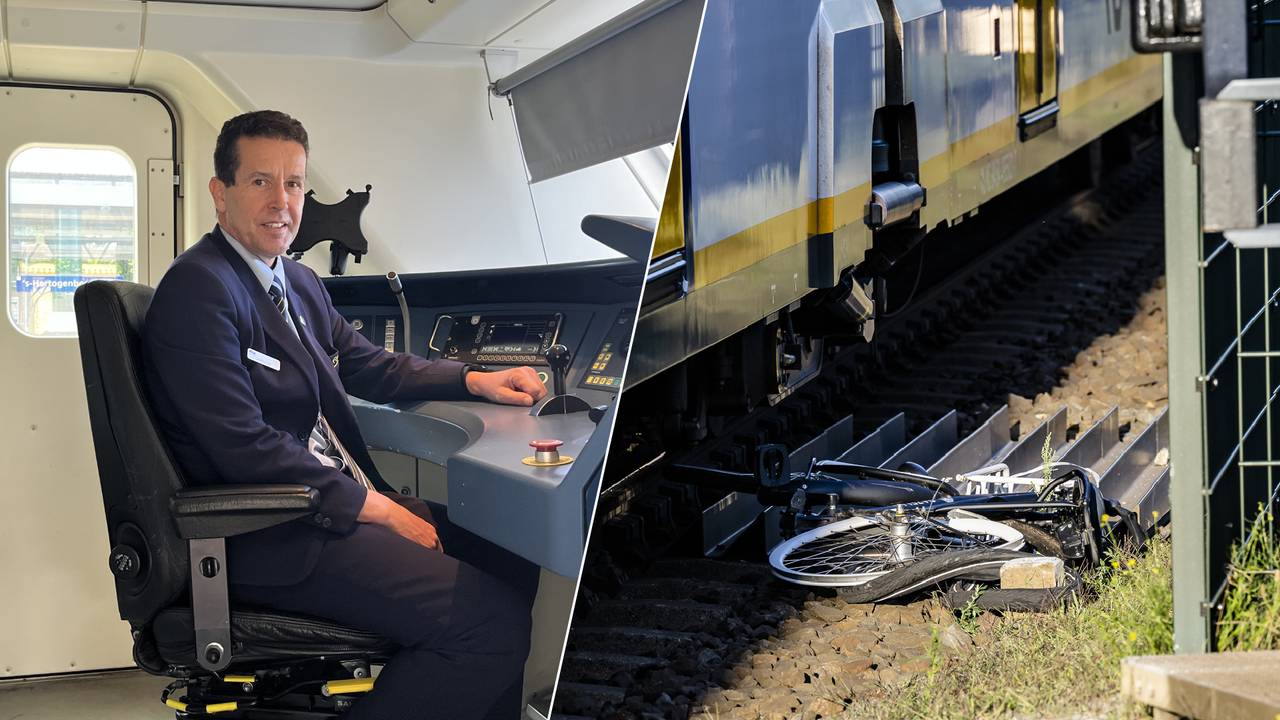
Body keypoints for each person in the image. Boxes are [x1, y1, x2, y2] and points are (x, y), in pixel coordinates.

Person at [144, 110, 547, 719]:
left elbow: (370, 365)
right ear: (220, 192)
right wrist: (382, 510)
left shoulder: (296, 281)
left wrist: (472, 379)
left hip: (320, 510)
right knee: (489, 626)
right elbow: (243, 446)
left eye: (293, 183)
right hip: (269, 533)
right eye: (260, 181)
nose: (281, 202)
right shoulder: (199, 288)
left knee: (511, 556)